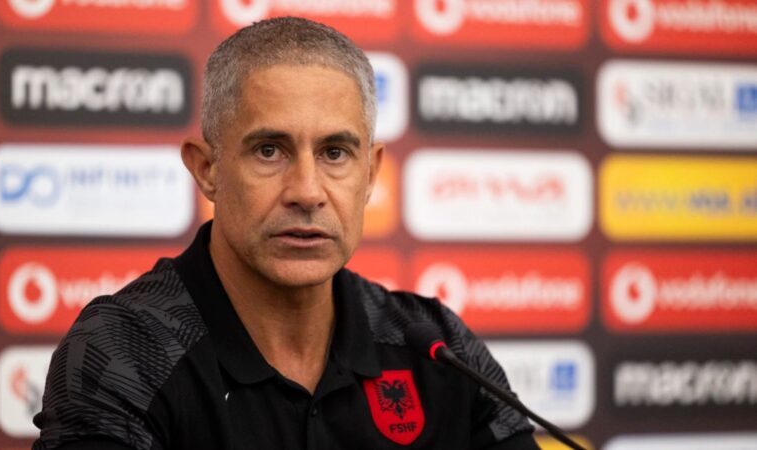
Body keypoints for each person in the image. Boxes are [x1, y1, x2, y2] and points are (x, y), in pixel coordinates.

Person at [33, 17, 538, 450]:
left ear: (370, 174)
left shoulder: (438, 347)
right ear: (207, 169)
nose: (307, 192)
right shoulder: (124, 349)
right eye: (269, 151)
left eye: (334, 153)